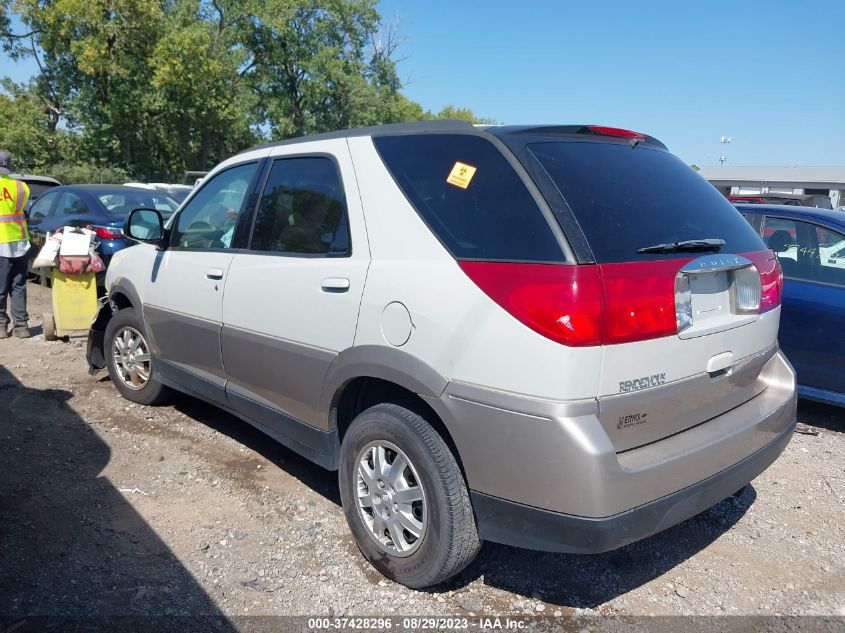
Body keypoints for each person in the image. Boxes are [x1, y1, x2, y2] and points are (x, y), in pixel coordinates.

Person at [0, 150, 32, 339]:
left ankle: (1, 326)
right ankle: (21, 326)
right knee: (18, 284)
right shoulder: (22, 187)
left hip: (1, 242)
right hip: (20, 242)